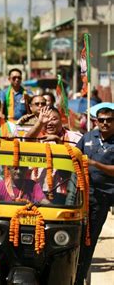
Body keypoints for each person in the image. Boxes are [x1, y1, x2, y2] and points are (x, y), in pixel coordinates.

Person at [75, 106, 114, 284]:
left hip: (102, 196)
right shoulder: (88, 137)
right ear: (95, 121)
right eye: (101, 120)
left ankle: (80, 276)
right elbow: (74, 156)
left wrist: (94, 164)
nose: (105, 123)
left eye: (109, 120)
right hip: (79, 196)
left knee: (88, 240)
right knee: (74, 236)